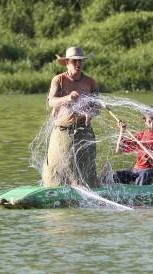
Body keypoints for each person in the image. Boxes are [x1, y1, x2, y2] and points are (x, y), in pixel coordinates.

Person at [42, 46, 100, 187]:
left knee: (85, 174)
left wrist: (89, 113)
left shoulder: (91, 82)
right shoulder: (59, 80)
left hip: (84, 132)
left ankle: (86, 194)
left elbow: (97, 107)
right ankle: (54, 190)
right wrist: (67, 98)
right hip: (62, 131)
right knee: (56, 171)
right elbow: (51, 101)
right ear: (67, 62)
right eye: (74, 61)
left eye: (80, 61)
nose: (78, 64)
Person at [110, 109, 153, 185]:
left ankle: (138, 194)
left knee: (145, 175)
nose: (152, 125)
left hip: (152, 172)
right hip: (136, 170)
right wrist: (122, 131)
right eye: (149, 121)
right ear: (145, 121)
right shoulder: (140, 136)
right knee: (116, 176)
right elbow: (119, 150)